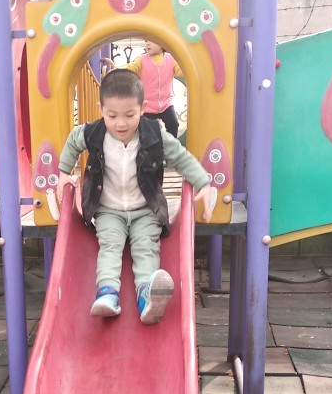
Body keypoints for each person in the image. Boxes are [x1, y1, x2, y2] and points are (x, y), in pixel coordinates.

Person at [57, 69, 214, 324]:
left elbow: (180, 157)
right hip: (108, 210)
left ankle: (146, 296)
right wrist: (63, 173)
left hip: (145, 210)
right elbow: (73, 141)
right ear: (101, 109)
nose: (121, 123)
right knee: (110, 246)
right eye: (112, 115)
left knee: (145, 247)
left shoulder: (154, 135)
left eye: (129, 115)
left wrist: (203, 182)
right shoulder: (94, 133)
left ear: (142, 108)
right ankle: (108, 293)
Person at [125, 41, 184, 138]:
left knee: (173, 124)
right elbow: (130, 68)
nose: (147, 44)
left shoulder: (170, 59)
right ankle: (149, 146)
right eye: (146, 41)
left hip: (166, 103)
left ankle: (171, 145)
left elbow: (181, 70)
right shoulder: (142, 60)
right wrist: (116, 70)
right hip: (148, 105)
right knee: (148, 131)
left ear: (162, 44)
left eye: (151, 41)